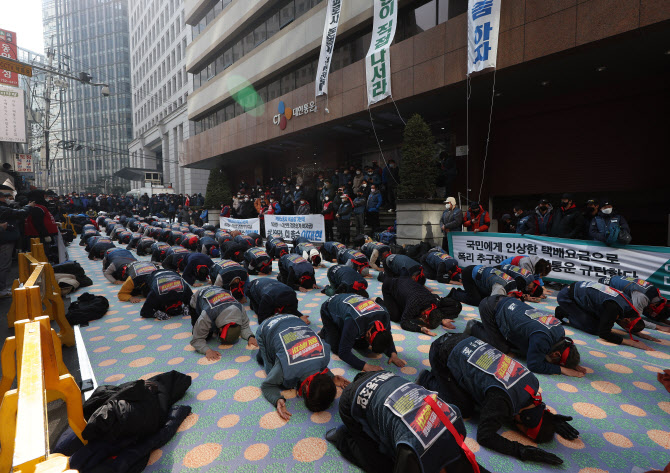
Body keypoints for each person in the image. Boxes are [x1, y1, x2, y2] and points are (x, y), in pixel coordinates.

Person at [417, 333, 579, 466]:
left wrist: (551, 420)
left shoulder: (533, 383)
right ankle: (428, 379)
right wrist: (520, 450)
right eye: (521, 431)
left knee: (480, 396)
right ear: (523, 419)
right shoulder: (501, 402)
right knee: (465, 409)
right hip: (440, 352)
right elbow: (484, 436)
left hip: (466, 339)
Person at [327, 370, 487, 473]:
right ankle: (342, 437)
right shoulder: (411, 453)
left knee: (391, 445)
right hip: (351, 401)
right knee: (380, 467)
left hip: (385, 377)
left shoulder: (455, 424)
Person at [256, 314, 350, 421]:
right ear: (305, 388)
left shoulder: (324, 355)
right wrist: (276, 399)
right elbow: (267, 386)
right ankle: (261, 353)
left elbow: (318, 367)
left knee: (280, 358)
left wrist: (332, 377)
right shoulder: (285, 368)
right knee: (270, 371)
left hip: (294, 319)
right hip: (267, 327)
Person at [470, 296, 585, 377]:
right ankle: (473, 327)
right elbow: (534, 365)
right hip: (490, 308)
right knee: (501, 349)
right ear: (556, 354)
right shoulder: (542, 339)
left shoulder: (560, 331)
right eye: (555, 360)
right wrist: (562, 369)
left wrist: (573, 364)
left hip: (507, 301)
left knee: (526, 350)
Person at [556, 281, 655, 350]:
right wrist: (631, 343)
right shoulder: (614, 308)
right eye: (625, 327)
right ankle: (564, 312)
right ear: (627, 320)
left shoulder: (628, 306)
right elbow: (604, 334)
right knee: (594, 329)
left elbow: (621, 319)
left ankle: (573, 312)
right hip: (566, 297)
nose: (622, 328)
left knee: (603, 320)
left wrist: (637, 332)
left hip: (579, 291)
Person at [319, 293, 406, 372]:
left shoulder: (384, 317)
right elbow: (343, 353)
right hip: (329, 309)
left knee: (363, 346)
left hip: (351, 304)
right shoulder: (354, 321)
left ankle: (343, 330)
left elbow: (388, 336)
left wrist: (393, 354)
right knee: (337, 348)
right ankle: (325, 331)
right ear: (368, 334)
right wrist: (365, 366)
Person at [189, 286, 257, 361]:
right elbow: (197, 339)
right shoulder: (207, 314)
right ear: (220, 329)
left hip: (219, 291)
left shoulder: (240, 308)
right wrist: (207, 351)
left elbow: (244, 326)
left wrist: (250, 337)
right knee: (206, 335)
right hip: (197, 298)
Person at [380, 276, 461, 335]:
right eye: (426, 323)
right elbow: (404, 323)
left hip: (406, 283)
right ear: (425, 318)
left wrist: (441, 318)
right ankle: (379, 302)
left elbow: (457, 305)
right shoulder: (414, 304)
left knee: (408, 311)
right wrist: (420, 329)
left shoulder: (434, 300)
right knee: (396, 317)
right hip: (389, 285)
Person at [599, 275, 670, 326]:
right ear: (654, 306)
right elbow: (634, 319)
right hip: (604, 288)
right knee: (621, 317)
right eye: (650, 312)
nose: (648, 312)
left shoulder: (655, 295)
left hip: (612, 279)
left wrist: (664, 321)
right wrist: (659, 327)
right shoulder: (642, 298)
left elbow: (647, 309)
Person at [0, 186, 28, 297]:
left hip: (6, 238)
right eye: (5, 197)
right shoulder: (3, 209)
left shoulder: (6, 207)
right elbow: (20, 214)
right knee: (4, 265)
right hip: (5, 240)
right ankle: (2, 289)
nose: (8, 198)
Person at [448, 265, 522, 306]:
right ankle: (454, 293)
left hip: (481, 275)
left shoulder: (514, 285)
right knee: (476, 301)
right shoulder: (500, 288)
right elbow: (491, 305)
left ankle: (465, 292)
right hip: (469, 274)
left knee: (484, 298)